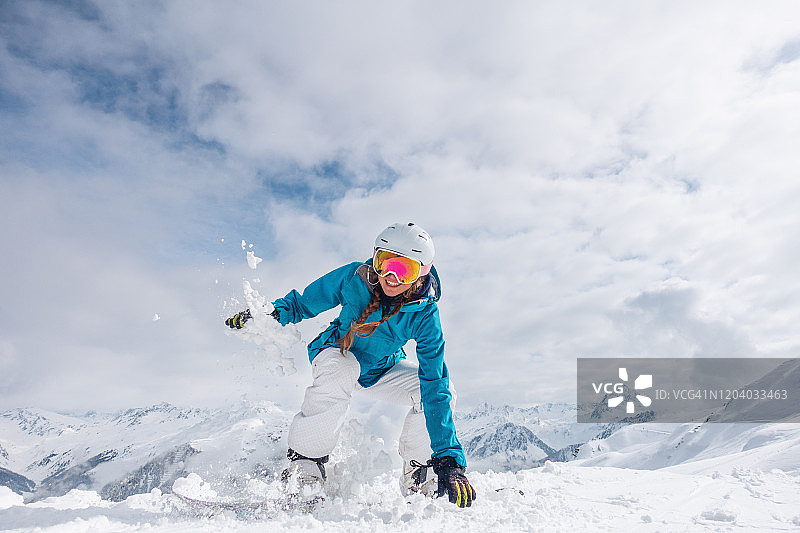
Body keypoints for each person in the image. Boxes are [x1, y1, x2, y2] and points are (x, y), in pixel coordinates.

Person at [226, 222, 476, 507]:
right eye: (384, 263)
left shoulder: (425, 313)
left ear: (422, 272)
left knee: (443, 390)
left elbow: (434, 382)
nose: (391, 276)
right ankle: (306, 466)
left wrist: (449, 458)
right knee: (343, 371)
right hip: (337, 353)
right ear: (374, 257)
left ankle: (419, 473)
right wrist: (266, 316)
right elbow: (302, 304)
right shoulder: (355, 277)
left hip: (380, 370)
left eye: (403, 269)